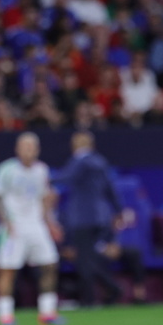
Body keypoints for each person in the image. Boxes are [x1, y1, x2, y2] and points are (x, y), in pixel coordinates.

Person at [0, 132, 65, 325]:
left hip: (36, 225)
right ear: (17, 149)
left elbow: (43, 198)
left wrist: (50, 223)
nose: (28, 150)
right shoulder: (6, 169)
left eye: (32, 147)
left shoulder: (42, 170)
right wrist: (6, 221)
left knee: (50, 264)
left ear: (37, 150)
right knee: (8, 270)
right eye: (25, 146)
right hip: (14, 227)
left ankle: (47, 312)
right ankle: (5, 315)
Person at [53, 131, 123, 307]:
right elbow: (110, 189)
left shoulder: (80, 161)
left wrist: (43, 178)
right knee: (89, 258)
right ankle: (107, 291)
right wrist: (118, 210)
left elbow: (65, 178)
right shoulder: (101, 162)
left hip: (82, 218)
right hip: (100, 217)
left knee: (84, 260)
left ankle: (93, 297)